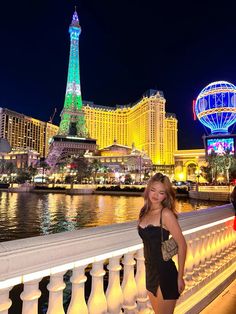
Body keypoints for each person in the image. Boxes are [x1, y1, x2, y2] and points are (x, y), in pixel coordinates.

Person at [138, 173, 187, 314]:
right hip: (150, 273)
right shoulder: (144, 212)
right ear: (148, 190)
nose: (155, 195)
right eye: (153, 190)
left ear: (166, 196)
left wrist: (180, 277)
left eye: (161, 192)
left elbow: (182, 245)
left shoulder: (165, 214)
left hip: (165, 273)